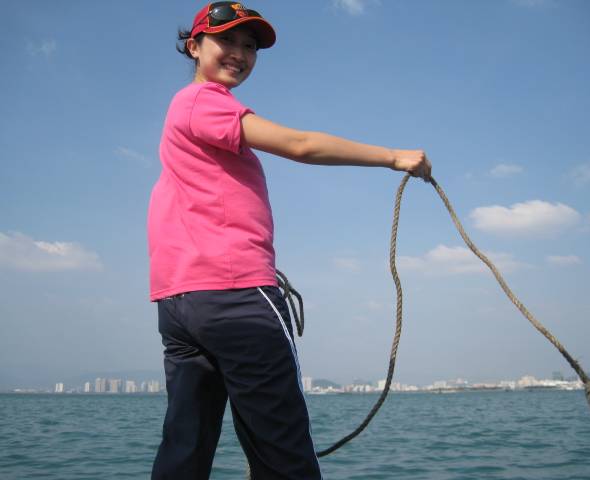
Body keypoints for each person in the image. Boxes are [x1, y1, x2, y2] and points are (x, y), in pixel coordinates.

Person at [148, 2, 432, 479]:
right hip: (236, 296)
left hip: (180, 303)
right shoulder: (204, 101)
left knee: (185, 446)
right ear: (194, 46)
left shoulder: (183, 116)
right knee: (282, 452)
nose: (240, 53)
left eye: (250, 46)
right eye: (226, 40)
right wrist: (394, 156)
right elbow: (300, 145)